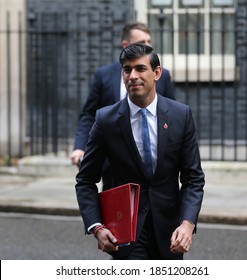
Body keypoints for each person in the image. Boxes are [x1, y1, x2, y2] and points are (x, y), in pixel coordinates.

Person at [75, 43, 205, 260]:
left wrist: (187, 223)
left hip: (170, 233)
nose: (133, 76)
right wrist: (96, 226)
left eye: (140, 69)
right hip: (126, 234)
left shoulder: (180, 116)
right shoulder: (106, 120)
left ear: (157, 73)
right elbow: (85, 180)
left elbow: (193, 178)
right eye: (127, 70)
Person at [71, 22, 175, 190]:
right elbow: (89, 114)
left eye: (149, 41)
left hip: (153, 163)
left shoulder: (162, 75)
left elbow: (171, 115)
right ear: (125, 45)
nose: (148, 46)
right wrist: (79, 147)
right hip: (113, 164)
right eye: (142, 42)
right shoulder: (103, 75)